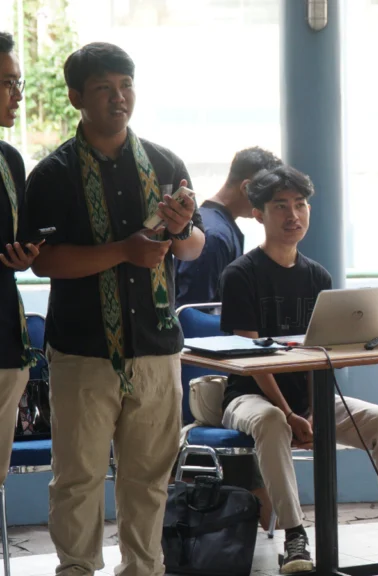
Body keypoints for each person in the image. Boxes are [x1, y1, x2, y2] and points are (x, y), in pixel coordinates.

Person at [218, 164, 378, 573]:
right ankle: (295, 538)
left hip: (310, 400)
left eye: (300, 204)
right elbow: (252, 361)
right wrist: (290, 412)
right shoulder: (240, 274)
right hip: (249, 397)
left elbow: (325, 352)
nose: (293, 215)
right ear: (259, 213)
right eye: (280, 206)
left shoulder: (318, 275)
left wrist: (314, 408)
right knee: (273, 423)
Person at [26, 42, 206, 576]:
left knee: (149, 478)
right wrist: (124, 251)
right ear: (77, 96)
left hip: (156, 346)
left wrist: (179, 231)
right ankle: (77, 569)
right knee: (77, 478)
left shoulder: (165, 162)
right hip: (82, 350)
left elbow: (194, 246)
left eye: (126, 85)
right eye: (104, 88)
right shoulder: (53, 173)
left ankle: (143, 570)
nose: (119, 97)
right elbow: (46, 262)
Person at [173, 146, 282, 532]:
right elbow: (196, 320)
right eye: (270, 197)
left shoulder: (217, 228)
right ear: (249, 187)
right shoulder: (215, 238)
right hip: (207, 380)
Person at [0, 31, 45, 505]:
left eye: (19, 82)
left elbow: (21, 231)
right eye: (8, 83)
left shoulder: (10, 158)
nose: (17, 95)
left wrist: (28, 253)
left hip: (7, 339)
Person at [175, 146, 281, 305]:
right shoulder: (215, 236)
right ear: (246, 188)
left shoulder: (210, 223)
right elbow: (196, 311)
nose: (267, 203)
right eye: (267, 194)